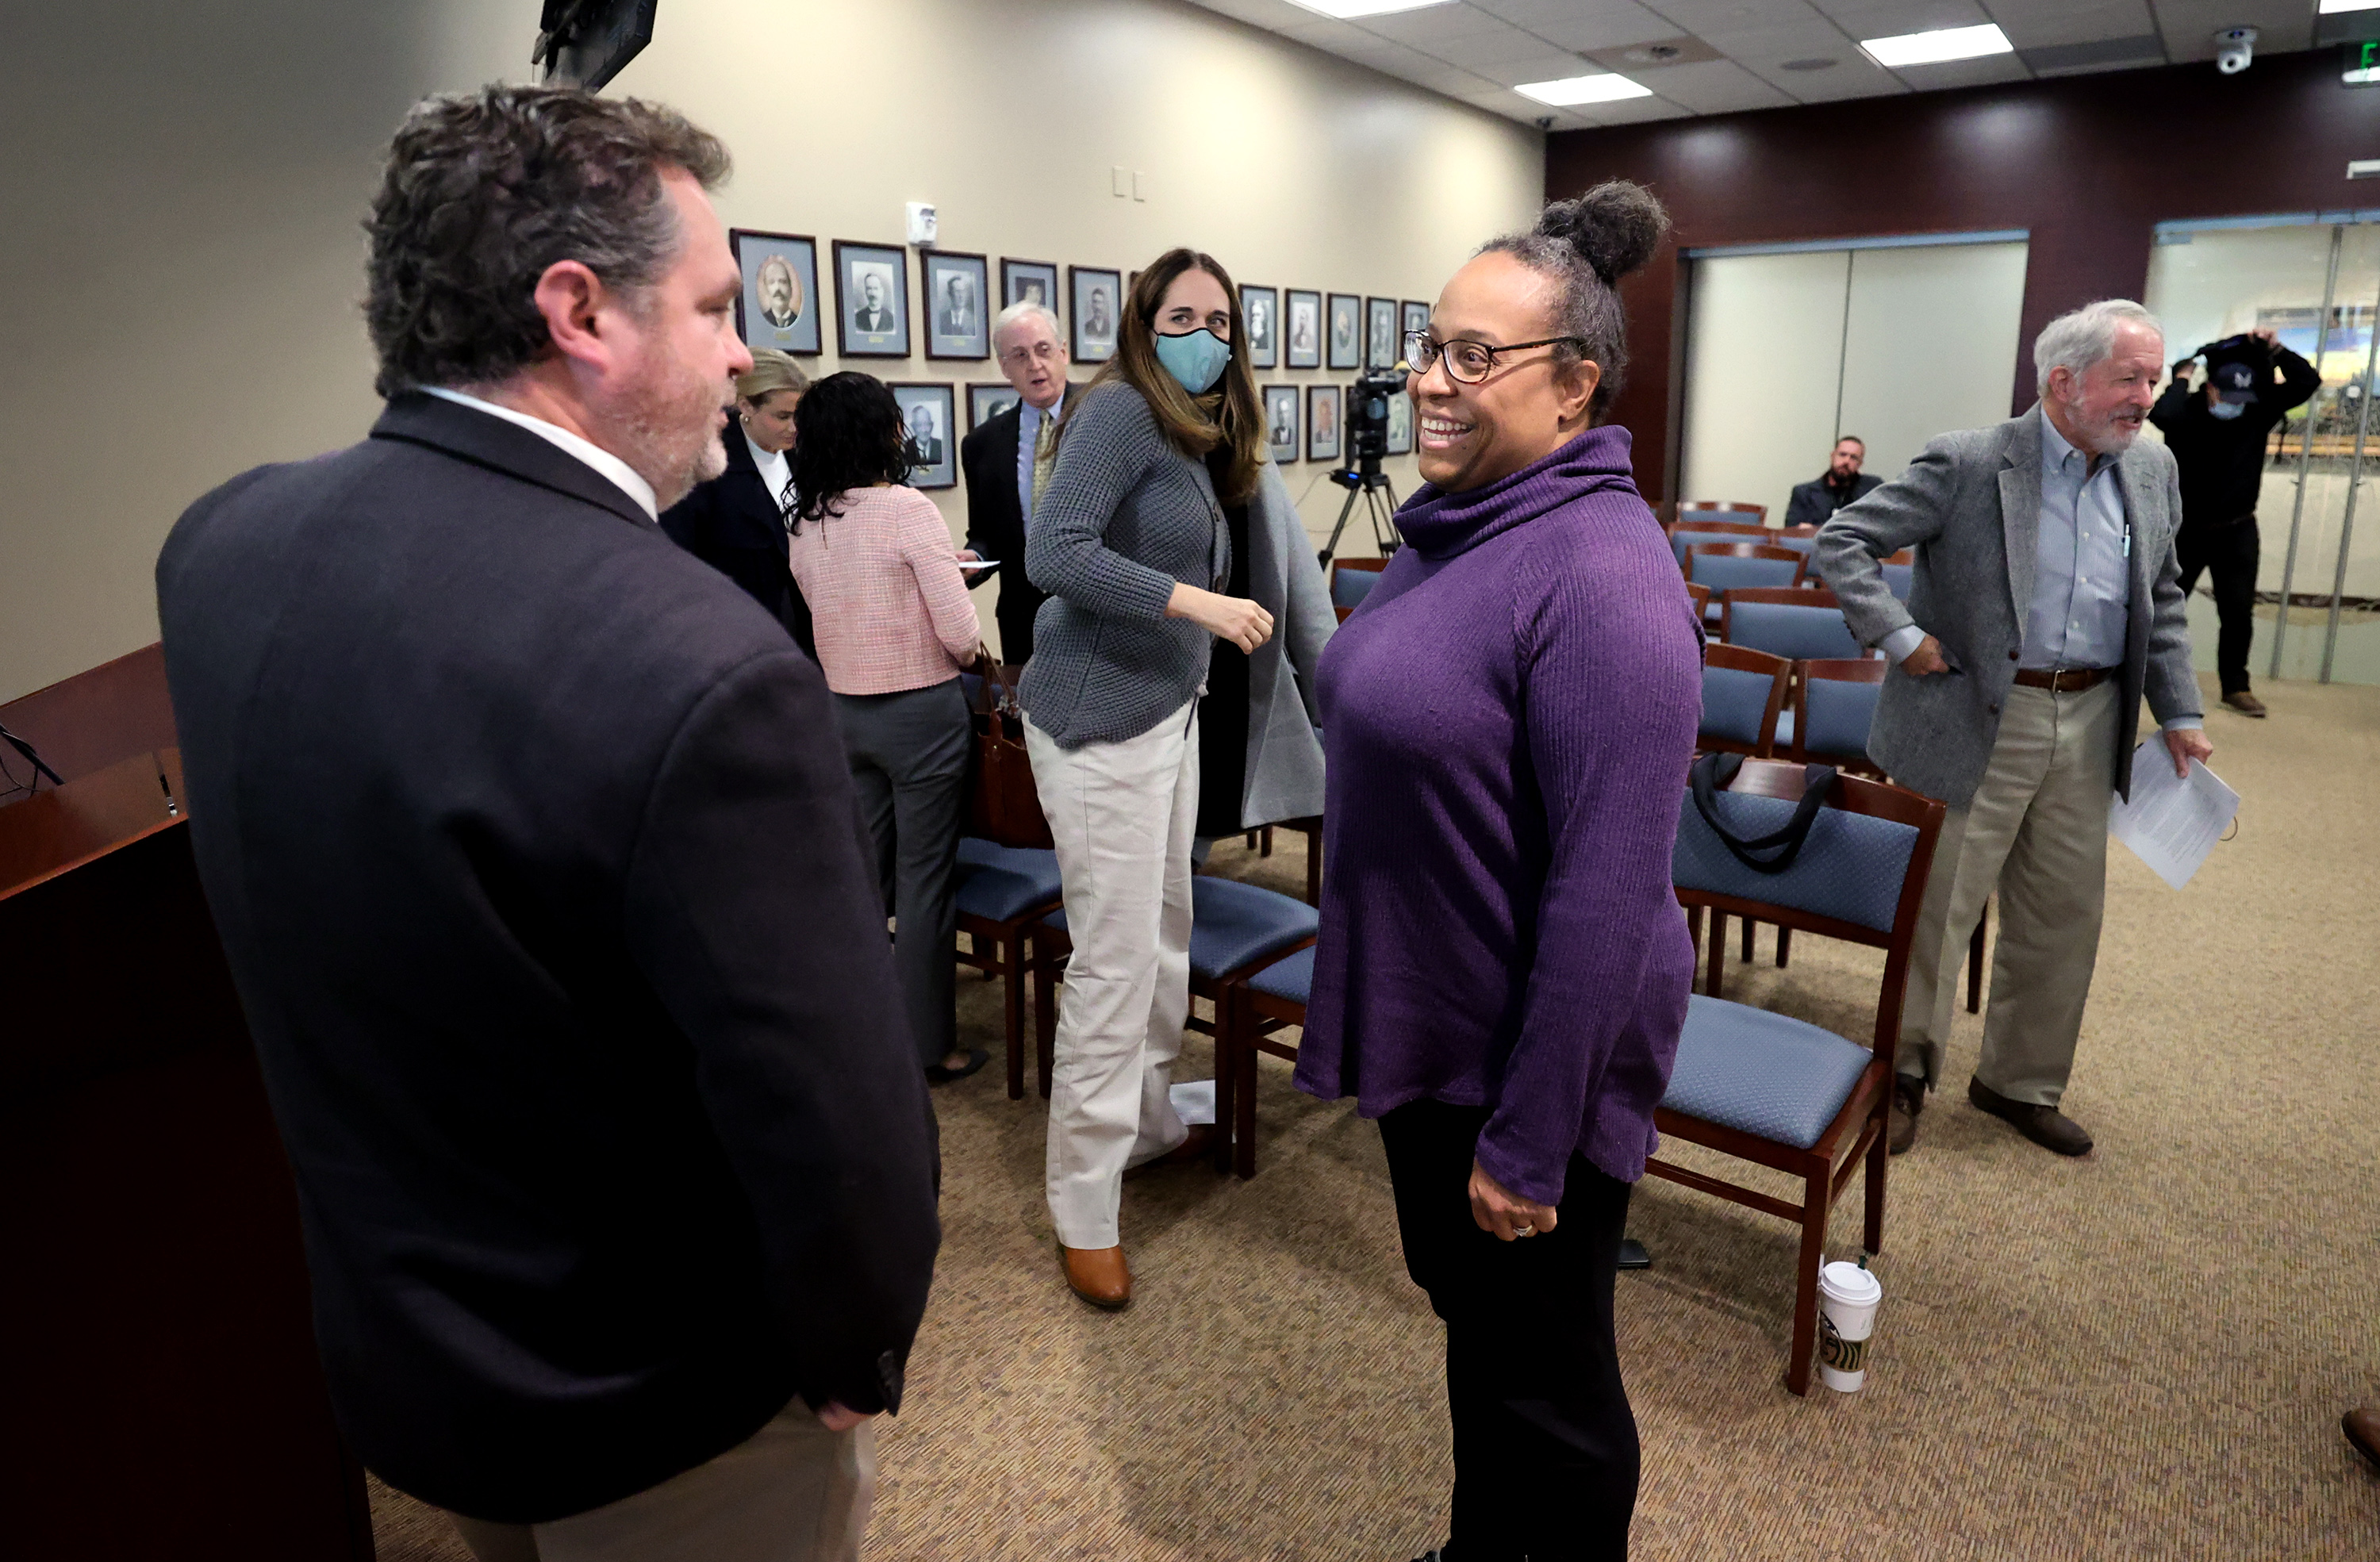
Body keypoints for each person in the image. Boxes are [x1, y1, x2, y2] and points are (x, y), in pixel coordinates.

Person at [152, 85, 939, 1562]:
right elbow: (838, 1122)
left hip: (414, 1356)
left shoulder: (221, 545)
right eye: (711, 307)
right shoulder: (700, 664)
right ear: (580, 309)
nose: (738, 353)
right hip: (656, 1403)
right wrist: (854, 1348)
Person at [1295, 182, 1697, 1562]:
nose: (1431, 382)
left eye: (1478, 355)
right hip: (1438, 1021)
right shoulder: (1461, 520)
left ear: (1574, 385)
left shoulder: (1602, 575)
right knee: (1483, 1336)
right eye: (1431, 345)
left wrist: (1532, 1138)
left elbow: (1609, 894)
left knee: (1553, 1382)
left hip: (1528, 1062)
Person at [1814, 298, 2211, 1159]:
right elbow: (1842, 543)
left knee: (2063, 910)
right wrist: (1902, 636)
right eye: (2130, 379)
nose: (2148, 396)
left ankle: (2018, 1082)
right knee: (1942, 904)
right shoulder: (1969, 461)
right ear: (2063, 382)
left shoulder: (2152, 467)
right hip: (1983, 708)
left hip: (2097, 708)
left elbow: (2166, 592)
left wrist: (2178, 709)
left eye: (2153, 377)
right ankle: (1907, 1077)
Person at [1021, 247, 1276, 1311]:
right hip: (1097, 721)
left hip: (1167, 715)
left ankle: (1150, 1118)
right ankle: (1082, 1202)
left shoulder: (1188, 425)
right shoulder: (1124, 408)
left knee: (1166, 928)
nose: (1203, 334)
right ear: (1144, 319)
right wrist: (1196, 605)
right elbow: (1054, 553)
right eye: (1183, 315)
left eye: (1220, 320)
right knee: (1116, 959)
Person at [789, 372, 988, 1088]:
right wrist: (955, 580)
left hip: (844, 712)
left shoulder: (808, 516)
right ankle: (931, 1046)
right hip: (921, 716)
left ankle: (857, 1028)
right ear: (883, 431)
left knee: (863, 882)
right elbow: (963, 638)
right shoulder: (908, 510)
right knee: (925, 882)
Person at [2149, 328, 2320, 717]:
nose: (2235, 404)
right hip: (2186, 530)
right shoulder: (2187, 412)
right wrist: (2180, 378)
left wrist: (2275, 350)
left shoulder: (2257, 410)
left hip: (2238, 529)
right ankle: (2135, 679)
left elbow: (2307, 382)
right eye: (2227, 395)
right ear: (2209, 388)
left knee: (2238, 611)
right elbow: (2163, 414)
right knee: (2160, 610)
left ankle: (2235, 687)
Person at [660, 348, 816, 657]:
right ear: (745, 405)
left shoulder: (807, 456)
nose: (794, 428)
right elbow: (679, 557)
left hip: (807, 633)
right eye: (782, 417)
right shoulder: (707, 463)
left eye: (800, 416)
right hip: (737, 633)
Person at [958, 301, 1081, 662]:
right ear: (1004, 367)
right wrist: (975, 557)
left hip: (1100, 614)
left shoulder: (1103, 419)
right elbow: (986, 534)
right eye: (1020, 355)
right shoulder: (982, 445)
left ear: (1063, 352)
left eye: (1044, 350)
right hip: (1023, 623)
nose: (1035, 365)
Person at [1783, 435, 1881, 527]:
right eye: (1842, 454)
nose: (1846, 461)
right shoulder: (1804, 493)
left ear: (1860, 464)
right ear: (1832, 456)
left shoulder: (1872, 489)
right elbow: (1792, 531)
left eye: (1853, 458)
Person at [757, 253, 801, 328]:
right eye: (771, 282)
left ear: (790, 287)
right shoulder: (761, 322)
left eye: (783, 282)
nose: (777, 288)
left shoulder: (797, 320)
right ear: (766, 289)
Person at [939, 273, 981, 340]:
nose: (961, 296)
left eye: (963, 291)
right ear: (950, 293)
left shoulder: (974, 321)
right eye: (957, 291)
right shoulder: (940, 320)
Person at [851, 270, 895, 335]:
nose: (873, 293)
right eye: (869, 289)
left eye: (875, 288)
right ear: (865, 291)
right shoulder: (857, 317)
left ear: (882, 291)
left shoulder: (892, 318)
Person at [906, 401, 945, 467]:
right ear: (913, 427)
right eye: (919, 425)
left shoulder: (940, 446)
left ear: (932, 425)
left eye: (927, 424)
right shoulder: (906, 448)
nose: (924, 430)